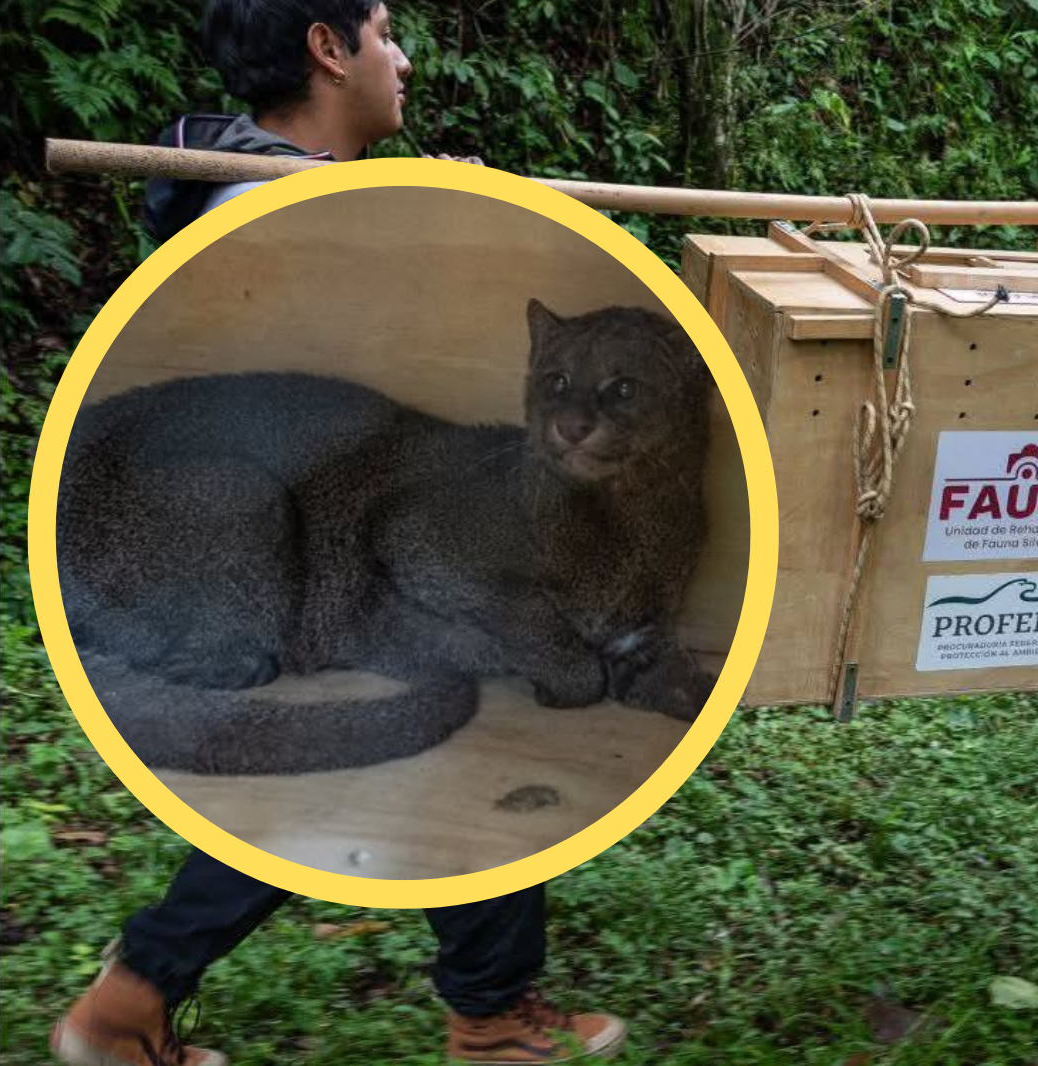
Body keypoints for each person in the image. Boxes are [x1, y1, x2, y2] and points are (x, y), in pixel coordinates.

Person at [50, 2, 623, 1063]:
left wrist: (432, 206)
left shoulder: (298, 194)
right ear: (328, 47)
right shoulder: (249, 194)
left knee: (451, 724)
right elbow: (289, 230)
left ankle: (481, 1009)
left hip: (309, 540)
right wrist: (430, 204)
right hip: (203, 558)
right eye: (387, 32)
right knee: (358, 754)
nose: (403, 57)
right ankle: (145, 995)